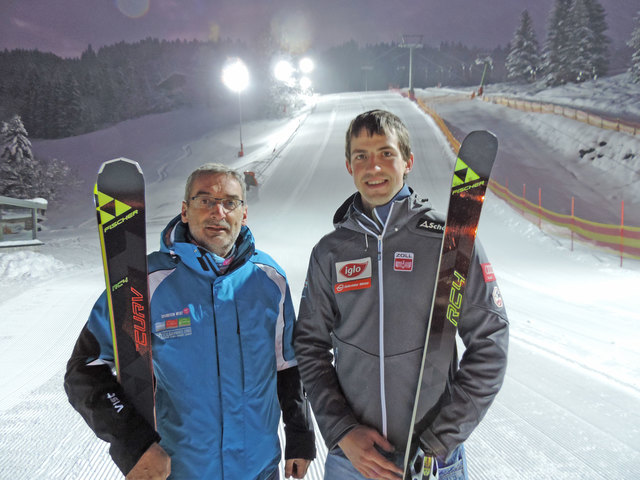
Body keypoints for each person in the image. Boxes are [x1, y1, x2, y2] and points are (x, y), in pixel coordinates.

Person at [293, 110, 509, 480]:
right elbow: (310, 346)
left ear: (408, 161)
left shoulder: (448, 240)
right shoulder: (332, 251)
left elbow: (490, 343)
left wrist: (439, 442)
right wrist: (342, 431)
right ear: (349, 166)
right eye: (361, 155)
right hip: (353, 462)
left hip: (432, 462)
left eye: (386, 153)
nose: (373, 166)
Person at [65, 163, 315, 479]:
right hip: (184, 469)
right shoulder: (146, 283)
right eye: (204, 200)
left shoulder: (269, 280)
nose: (218, 212)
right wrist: (134, 445)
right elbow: (85, 368)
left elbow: (288, 366)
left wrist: (300, 435)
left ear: (244, 213)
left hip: (259, 469)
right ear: (185, 210)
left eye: (230, 202)